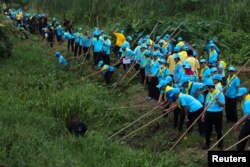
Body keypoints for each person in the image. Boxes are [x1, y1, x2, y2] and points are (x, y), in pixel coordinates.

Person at [202, 79, 225, 150]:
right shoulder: (208, 94)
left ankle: (220, 145)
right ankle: (207, 144)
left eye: (207, 88)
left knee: (218, 129)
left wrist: (218, 100)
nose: (207, 89)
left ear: (210, 87)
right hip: (209, 113)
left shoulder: (219, 93)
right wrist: (203, 114)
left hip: (217, 113)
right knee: (208, 129)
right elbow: (206, 105)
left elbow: (223, 104)